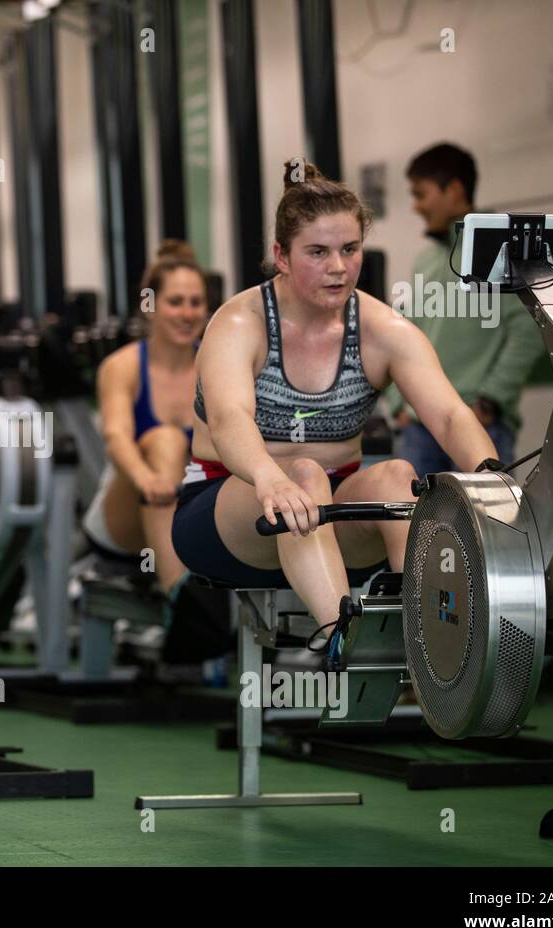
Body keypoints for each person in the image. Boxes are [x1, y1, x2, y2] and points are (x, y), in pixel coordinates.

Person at [171, 161, 504, 658]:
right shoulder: (239, 323)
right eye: (318, 252)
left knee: (397, 475)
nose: (338, 267)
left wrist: (492, 482)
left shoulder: (381, 329)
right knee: (303, 475)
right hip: (228, 513)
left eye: (350, 249)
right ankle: (345, 645)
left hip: (331, 513)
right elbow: (229, 421)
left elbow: (452, 416)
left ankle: (432, 653)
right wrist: (270, 479)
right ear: (281, 256)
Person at [389, 142, 546, 475]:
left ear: (454, 189)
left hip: (480, 424)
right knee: (415, 527)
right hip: (420, 427)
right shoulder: (426, 260)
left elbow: (528, 331)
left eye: (421, 194)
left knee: (491, 524)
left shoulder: (503, 251)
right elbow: (399, 334)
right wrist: (398, 403)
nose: (416, 206)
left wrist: (491, 399)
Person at [83, 241, 204, 596]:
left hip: (189, 515)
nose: (187, 313)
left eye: (196, 303)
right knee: (166, 441)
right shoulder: (122, 367)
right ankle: (180, 603)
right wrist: (148, 480)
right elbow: (116, 437)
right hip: (126, 522)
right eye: (175, 302)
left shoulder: (214, 364)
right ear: (150, 306)